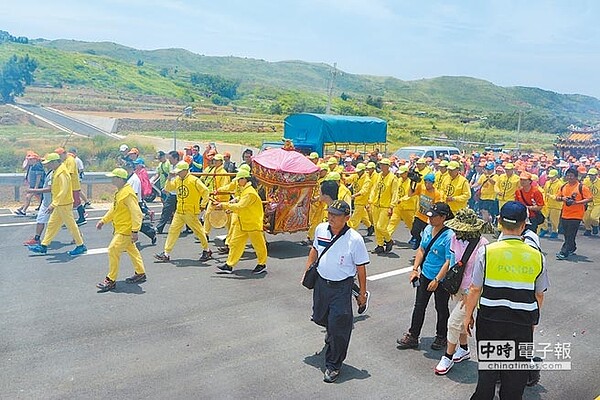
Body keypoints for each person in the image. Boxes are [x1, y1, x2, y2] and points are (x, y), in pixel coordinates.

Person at [464, 201, 549, 399]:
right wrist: (533, 321)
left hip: (490, 319)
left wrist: (468, 316)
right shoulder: (537, 256)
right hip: (521, 321)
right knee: (515, 371)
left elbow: (475, 288)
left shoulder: (487, 251)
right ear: (524, 225)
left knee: (489, 367)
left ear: (500, 221)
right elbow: (539, 294)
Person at [303, 200, 369, 383]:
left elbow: (361, 268)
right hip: (321, 284)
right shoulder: (321, 229)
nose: (330, 217)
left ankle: (334, 365)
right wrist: (308, 270)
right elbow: (315, 249)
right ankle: (330, 330)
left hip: (342, 287)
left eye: (335, 215)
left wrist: (362, 293)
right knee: (318, 316)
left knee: (339, 327)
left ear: (347, 218)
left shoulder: (355, 239)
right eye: (330, 213)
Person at [434, 209, 488, 375]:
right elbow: (451, 261)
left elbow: (482, 273)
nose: (457, 231)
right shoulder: (453, 238)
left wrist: (471, 293)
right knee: (462, 321)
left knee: (453, 322)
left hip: (471, 290)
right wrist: (452, 285)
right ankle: (464, 349)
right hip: (457, 286)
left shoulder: (483, 245)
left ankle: (448, 356)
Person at [397, 203, 454, 351]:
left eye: (433, 216)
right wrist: (415, 269)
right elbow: (422, 250)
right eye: (429, 215)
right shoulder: (428, 229)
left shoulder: (450, 236)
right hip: (425, 274)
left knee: (441, 307)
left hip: (440, 279)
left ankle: (441, 337)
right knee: (419, 306)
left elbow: (448, 260)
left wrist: (437, 279)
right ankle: (413, 336)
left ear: (443, 217)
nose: (430, 219)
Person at [95, 168, 147, 292]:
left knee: (113, 250)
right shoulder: (121, 192)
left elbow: (137, 213)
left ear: (120, 179)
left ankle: (110, 280)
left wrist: (135, 231)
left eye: (114, 177)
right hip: (121, 228)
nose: (112, 179)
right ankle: (140, 272)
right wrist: (104, 220)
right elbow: (114, 210)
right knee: (132, 250)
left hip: (125, 230)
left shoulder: (127, 193)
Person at [27, 153, 87, 256]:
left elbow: (63, 190)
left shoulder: (62, 172)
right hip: (60, 204)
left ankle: (80, 245)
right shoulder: (57, 171)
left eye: (49, 163)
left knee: (71, 225)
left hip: (64, 204)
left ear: (55, 162)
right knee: (52, 225)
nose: (47, 165)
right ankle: (44, 246)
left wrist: (53, 204)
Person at [154, 161, 212, 263]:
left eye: (179, 172)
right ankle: (166, 253)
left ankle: (206, 250)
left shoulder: (194, 180)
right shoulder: (178, 180)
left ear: (185, 171)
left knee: (198, 231)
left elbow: (205, 191)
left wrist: (203, 205)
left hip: (190, 211)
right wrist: (169, 178)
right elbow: (168, 188)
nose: (178, 173)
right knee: (173, 231)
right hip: (180, 210)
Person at [213, 169, 268, 274]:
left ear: (244, 179)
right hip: (242, 222)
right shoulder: (246, 190)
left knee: (259, 245)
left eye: (239, 179)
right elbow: (240, 201)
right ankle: (229, 265)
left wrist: (224, 205)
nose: (237, 182)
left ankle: (262, 264)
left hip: (252, 223)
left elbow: (240, 206)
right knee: (234, 243)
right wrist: (232, 203)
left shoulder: (249, 192)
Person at [555, 167, 592, 260]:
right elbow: (557, 197)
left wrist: (577, 202)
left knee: (571, 234)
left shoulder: (581, 187)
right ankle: (572, 247)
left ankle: (564, 252)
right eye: (568, 175)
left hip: (576, 215)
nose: (569, 177)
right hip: (565, 213)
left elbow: (590, 198)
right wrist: (562, 198)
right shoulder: (563, 186)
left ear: (576, 177)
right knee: (566, 234)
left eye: (571, 176)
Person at [368, 158, 399, 254]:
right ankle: (380, 245)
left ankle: (389, 240)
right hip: (376, 205)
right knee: (376, 227)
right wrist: (370, 201)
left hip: (385, 206)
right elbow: (374, 189)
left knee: (380, 226)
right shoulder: (378, 176)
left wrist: (391, 206)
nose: (381, 167)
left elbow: (395, 193)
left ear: (388, 166)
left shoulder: (393, 178)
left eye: (384, 165)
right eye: (381, 165)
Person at [409, 172, 444, 250]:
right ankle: (418, 239)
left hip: (428, 218)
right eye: (425, 182)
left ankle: (425, 250)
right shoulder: (421, 187)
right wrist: (412, 183)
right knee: (414, 231)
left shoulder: (436, 193)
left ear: (433, 183)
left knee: (427, 236)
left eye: (429, 183)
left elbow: (437, 206)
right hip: (419, 215)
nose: (427, 184)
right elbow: (410, 194)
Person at [23, 161, 54, 245]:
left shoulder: (54, 174)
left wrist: (34, 190)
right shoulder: (49, 172)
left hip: (55, 203)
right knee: (40, 219)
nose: (45, 164)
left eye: (47, 163)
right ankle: (37, 238)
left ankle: (77, 237)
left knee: (66, 222)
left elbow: (50, 188)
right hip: (46, 201)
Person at [55, 147, 87, 226]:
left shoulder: (70, 160)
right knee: (72, 203)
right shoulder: (65, 160)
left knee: (75, 202)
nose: (59, 157)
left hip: (73, 185)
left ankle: (81, 218)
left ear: (64, 153)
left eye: (59, 155)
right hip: (69, 186)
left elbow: (69, 173)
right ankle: (72, 219)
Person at [156, 150, 180, 234]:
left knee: (185, 213)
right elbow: (169, 178)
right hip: (172, 193)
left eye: (171, 158)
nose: (169, 160)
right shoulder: (171, 166)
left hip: (180, 194)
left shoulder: (181, 166)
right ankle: (159, 228)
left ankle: (191, 228)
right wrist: (166, 188)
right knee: (166, 210)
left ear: (176, 158)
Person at [15, 152, 45, 216]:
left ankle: (23, 210)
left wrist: (36, 187)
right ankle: (22, 208)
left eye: (31, 159)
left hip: (38, 185)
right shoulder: (32, 165)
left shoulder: (37, 166)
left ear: (35, 159)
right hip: (33, 185)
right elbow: (24, 168)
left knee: (28, 197)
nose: (29, 161)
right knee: (40, 198)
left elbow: (38, 177)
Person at [347, 163, 373, 235]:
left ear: (363, 171)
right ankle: (370, 226)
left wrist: (354, 195)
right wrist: (342, 176)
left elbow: (364, 191)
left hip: (362, 201)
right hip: (356, 200)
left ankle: (350, 232)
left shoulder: (367, 180)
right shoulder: (356, 176)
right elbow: (348, 180)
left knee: (355, 218)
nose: (358, 172)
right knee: (363, 216)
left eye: (359, 171)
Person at [539, 169, 562, 238]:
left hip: (556, 205)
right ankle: (544, 229)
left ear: (556, 176)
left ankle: (554, 231)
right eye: (550, 177)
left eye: (553, 177)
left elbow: (559, 195)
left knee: (554, 220)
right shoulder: (547, 183)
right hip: (547, 204)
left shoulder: (560, 184)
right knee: (543, 217)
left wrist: (551, 196)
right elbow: (545, 192)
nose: (551, 178)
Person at [582, 168, 600, 236]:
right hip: (589, 202)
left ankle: (595, 226)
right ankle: (588, 229)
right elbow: (583, 189)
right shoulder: (586, 181)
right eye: (589, 175)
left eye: (592, 175)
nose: (591, 177)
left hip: (598, 203)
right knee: (585, 217)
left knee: (594, 217)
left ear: (596, 175)